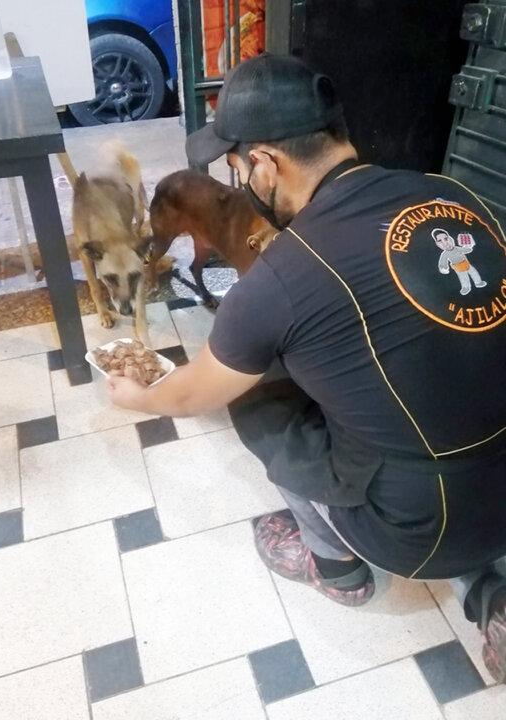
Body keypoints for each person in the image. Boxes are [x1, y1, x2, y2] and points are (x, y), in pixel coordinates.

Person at [108, 54, 506, 681]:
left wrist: (138, 397)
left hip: (412, 528)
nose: (238, 180)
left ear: (264, 163)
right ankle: (493, 597)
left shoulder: (281, 277)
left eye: (235, 166)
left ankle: (338, 567)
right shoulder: (455, 196)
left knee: (255, 392)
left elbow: (191, 395)